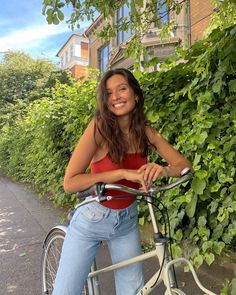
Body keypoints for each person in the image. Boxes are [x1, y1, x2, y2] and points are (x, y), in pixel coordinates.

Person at [52, 68, 192, 295]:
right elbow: (70, 182)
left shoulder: (145, 131)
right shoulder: (99, 128)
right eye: (108, 93)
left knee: (132, 291)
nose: (115, 96)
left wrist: (163, 170)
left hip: (126, 219)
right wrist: (122, 174)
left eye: (122, 89)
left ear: (135, 94)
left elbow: (184, 166)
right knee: (65, 292)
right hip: (92, 218)